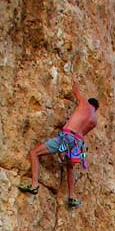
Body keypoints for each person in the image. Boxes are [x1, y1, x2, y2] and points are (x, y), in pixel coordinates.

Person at [18, 80, 99, 208]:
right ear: (97, 109)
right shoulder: (94, 121)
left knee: (34, 153)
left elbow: (76, 91)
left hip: (67, 137)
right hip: (77, 143)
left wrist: (75, 82)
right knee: (70, 166)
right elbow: (82, 133)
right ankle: (71, 197)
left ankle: (34, 185)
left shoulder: (85, 104)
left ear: (90, 103)